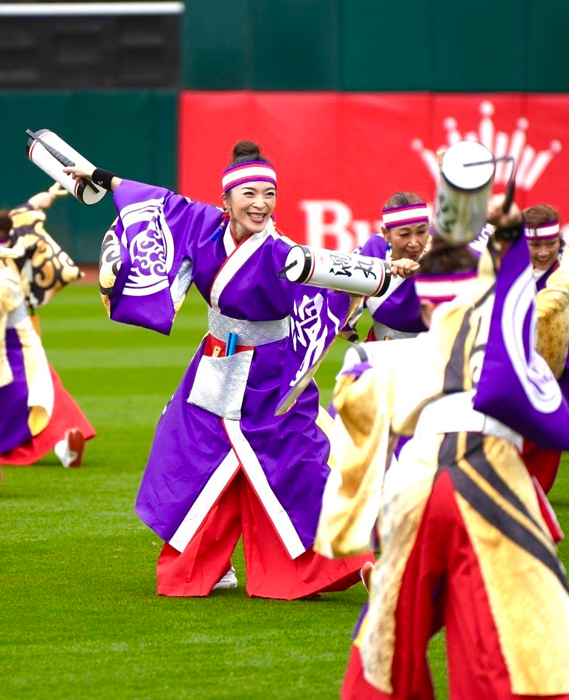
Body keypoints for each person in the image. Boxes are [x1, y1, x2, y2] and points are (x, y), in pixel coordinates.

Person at [64, 140, 373, 599]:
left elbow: (329, 285)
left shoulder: (283, 253)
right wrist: (98, 175)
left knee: (295, 467)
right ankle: (202, 565)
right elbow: (155, 200)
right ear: (225, 201)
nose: (261, 204)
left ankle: (337, 563)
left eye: (269, 194)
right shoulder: (202, 226)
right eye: (248, 194)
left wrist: (383, 276)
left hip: (270, 375)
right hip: (215, 361)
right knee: (187, 455)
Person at [315, 195, 569, 699]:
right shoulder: (508, 355)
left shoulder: (380, 360)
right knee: (514, 630)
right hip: (489, 486)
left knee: (388, 639)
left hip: (411, 490)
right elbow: (555, 427)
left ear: (427, 305)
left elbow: (352, 438)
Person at [0, 184, 95, 469]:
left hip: (10, 344)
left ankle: (64, 446)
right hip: (24, 337)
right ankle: (65, 444)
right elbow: (24, 214)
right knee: (47, 394)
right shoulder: (19, 244)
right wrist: (47, 197)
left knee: (25, 404)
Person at [521, 204, 568, 493]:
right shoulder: (502, 269)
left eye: (550, 243)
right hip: (512, 373)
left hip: (555, 377)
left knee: (545, 445)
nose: (543, 252)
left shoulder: (562, 276)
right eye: (534, 244)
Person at [358, 192, 430, 342]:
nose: (414, 243)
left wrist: (420, 269)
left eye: (422, 232)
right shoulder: (374, 248)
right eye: (404, 234)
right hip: (379, 352)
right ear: (386, 234)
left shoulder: (443, 254)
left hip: (432, 355)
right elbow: (340, 292)